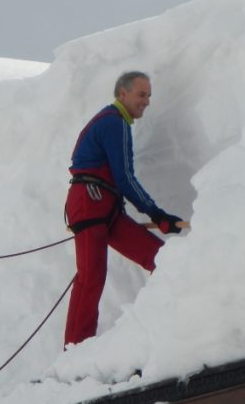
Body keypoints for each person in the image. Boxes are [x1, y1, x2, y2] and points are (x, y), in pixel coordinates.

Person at [63, 71, 183, 346]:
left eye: (149, 95)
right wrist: (157, 215)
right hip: (90, 203)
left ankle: (175, 327)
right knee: (91, 276)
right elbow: (124, 178)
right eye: (142, 94)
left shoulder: (115, 123)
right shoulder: (113, 123)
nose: (147, 101)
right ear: (122, 94)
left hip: (104, 209)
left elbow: (119, 180)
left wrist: (155, 215)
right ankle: (75, 350)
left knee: (161, 258)